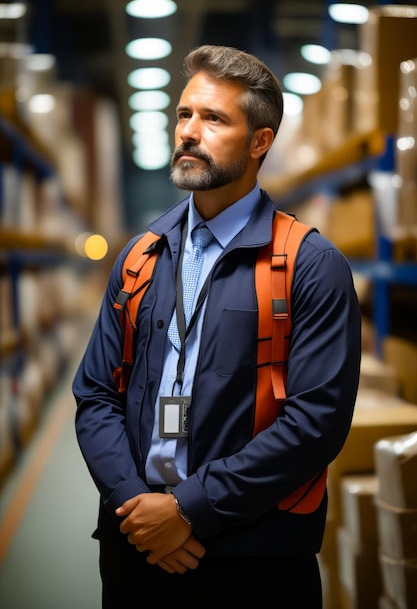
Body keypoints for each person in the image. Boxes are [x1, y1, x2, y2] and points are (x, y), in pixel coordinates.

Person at [72, 44, 361, 608]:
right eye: (184, 114)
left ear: (260, 142)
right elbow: (96, 395)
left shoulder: (308, 264)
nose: (188, 131)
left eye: (214, 119)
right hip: (136, 546)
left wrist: (189, 510)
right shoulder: (141, 257)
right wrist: (137, 507)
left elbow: (316, 422)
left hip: (253, 558)